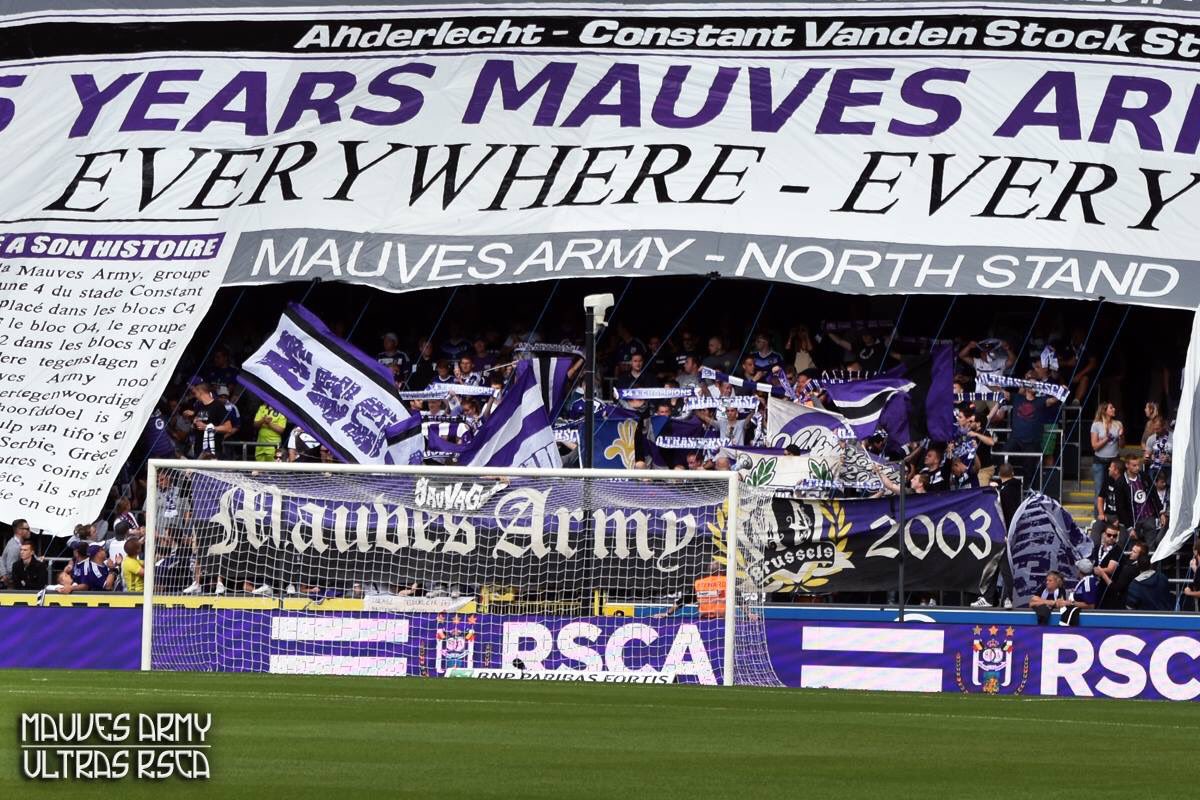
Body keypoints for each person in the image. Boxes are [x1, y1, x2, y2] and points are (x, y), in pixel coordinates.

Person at [656, 560, 727, 620]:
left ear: (708, 571)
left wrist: (667, 613)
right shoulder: (727, 581)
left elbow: (682, 601)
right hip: (723, 621)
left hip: (704, 620)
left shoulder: (699, 584)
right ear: (721, 571)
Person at [1113, 455, 1161, 530]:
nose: (1137, 468)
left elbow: (1154, 494)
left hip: (1149, 516)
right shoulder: (1120, 482)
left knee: (1151, 541)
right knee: (1132, 541)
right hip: (1133, 520)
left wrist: (1160, 512)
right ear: (1127, 465)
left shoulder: (1144, 477)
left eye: (1138, 465)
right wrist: (1129, 527)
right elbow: (1120, 506)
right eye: (1134, 465)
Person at [1089, 402, 1123, 492]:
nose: (1114, 409)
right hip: (1099, 460)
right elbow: (1095, 446)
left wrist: (1121, 436)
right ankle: (1099, 506)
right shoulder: (1096, 425)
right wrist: (1106, 438)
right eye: (1111, 408)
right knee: (1099, 488)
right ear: (1104, 411)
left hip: (1114, 460)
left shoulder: (1118, 424)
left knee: (1116, 487)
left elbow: (1122, 446)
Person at [0, 518, 31, 587]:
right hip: (12, 586)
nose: (30, 531)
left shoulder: (15, 543)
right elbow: (11, 569)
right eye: (27, 529)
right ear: (19, 530)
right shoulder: (14, 547)